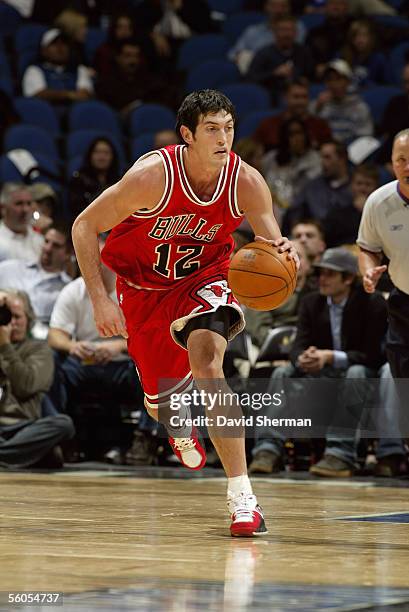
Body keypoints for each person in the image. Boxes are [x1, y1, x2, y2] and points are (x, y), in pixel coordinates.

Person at [71, 89, 299, 537]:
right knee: (161, 407)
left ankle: (243, 499)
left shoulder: (246, 181)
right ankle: (178, 422)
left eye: (229, 128)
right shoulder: (152, 176)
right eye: (211, 129)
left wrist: (288, 254)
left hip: (205, 280)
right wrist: (100, 298)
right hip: (141, 291)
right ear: (187, 134)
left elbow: (274, 244)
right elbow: (83, 225)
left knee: (209, 364)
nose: (223, 138)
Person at [249, 248, 387, 476]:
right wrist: (304, 357)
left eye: (330, 274)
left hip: (358, 373)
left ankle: (340, 453)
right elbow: (297, 345)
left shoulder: (371, 303)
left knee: (357, 372)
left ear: (348, 278)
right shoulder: (311, 302)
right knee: (282, 373)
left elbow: (374, 355)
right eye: (320, 273)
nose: (322, 279)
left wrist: (330, 356)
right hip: (321, 372)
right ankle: (268, 449)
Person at [0, 289, 74, 469]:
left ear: (28, 319)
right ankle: (23, 455)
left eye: (17, 317)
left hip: (22, 428)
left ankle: (11, 455)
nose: (12, 323)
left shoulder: (39, 350)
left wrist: (5, 346)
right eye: (6, 317)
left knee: (63, 424)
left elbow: (25, 385)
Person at [358, 128, 409, 380]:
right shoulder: (378, 202)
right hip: (403, 305)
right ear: (391, 163)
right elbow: (368, 247)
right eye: (401, 159)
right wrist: (368, 271)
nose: (407, 166)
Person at [0, 223, 72, 336]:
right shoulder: (9, 268)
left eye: (56, 246)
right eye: (46, 241)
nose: (48, 248)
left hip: (35, 344)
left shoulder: (68, 290)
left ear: (68, 253)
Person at [253, 78, 332, 152]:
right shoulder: (268, 125)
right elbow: (253, 150)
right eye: (296, 97)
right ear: (285, 98)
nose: (301, 102)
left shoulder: (320, 126)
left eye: (304, 97)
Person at [247, 16, 315, 100]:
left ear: (296, 33)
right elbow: (250, 79)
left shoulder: (304, 52)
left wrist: (303, 79)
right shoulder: (264, 53)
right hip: (271, 96)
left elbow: (312, 75)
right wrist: (274, 74)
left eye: (290, 30)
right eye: (282, 30)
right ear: (274, 32)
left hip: (300, 96)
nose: (286, 34)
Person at [22, 28, 93, 105]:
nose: (60, 48)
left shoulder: (79, 69)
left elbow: (85, 94)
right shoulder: (34, 70)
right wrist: (69, 95)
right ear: (43, 50)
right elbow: (38, 95)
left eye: (64, 43)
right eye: (54, 44)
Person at [311, 59, 373, 145]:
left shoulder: (359, 107)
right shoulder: (320, 105)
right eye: (330, 80)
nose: (334, 84)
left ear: (348, 81)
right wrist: (318, 108)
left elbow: (365, 140)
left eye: (338, 79)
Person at [68, 137, 120, 222]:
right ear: (90, 155)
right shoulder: (78, 180)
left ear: (113, 157)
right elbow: (76, 210)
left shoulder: (119, 180)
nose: (102, 157)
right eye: (97, 152)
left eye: (106, 153)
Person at [0, 183, 44, 262]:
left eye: (29, 203)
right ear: (3, 208)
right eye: (19, 203)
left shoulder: (40, 241)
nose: (25, 210)